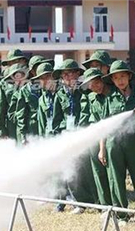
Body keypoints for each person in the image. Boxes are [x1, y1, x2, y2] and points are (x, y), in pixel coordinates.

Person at [99, 60, 135, 223]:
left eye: (122, 76)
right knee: (116, 179)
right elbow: (103, 125)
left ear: (129, 77)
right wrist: (102, 148)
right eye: (116, 78)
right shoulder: (109, 98)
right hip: (114, 144)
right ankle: (121, 215)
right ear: (112, 80)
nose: (120, 80)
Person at [52, 59, 93, 214]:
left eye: (71, 73)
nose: (68, 77)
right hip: (67, 137)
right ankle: (78, 202)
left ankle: (89, 199)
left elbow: (87, 113)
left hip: (83, 136)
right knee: (71, 170)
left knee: (84, 169)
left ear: (78, 74)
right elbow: (56, 119)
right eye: (65, 74)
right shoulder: (59, 95)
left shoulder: (85, 92)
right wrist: (60, 136)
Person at [78, 68, 112, 207]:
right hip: (98, 138)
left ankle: (116, 205)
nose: (94, 87)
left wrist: (102, 147)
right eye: (91, 85)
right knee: (99, 173)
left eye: (97, 82)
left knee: (112, 175)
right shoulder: (92, 98)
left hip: (112, 140)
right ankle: (104, 205)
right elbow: (95, 121)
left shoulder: (112, 95)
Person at [0, 63, 29, 140]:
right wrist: (2, 129)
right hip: (13, 122)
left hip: (28, 121)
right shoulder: (4, 85)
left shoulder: (30, 85)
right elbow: (1, 108)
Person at [35, 63, 58, 137]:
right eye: (41, 78)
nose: (45, 80)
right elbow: (41, 125)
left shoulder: (63, 94)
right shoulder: (42, 99)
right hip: (48, 137)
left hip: (63, 137)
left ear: (53, 77)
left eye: (47, 76)